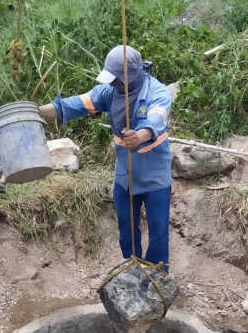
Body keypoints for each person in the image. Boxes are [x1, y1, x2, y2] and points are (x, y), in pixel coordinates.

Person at [39, 45, 173, 271]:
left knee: (158, 230)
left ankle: (157, 277)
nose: (111, 83)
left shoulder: (156, 92)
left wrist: (140, 136)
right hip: (125, 176)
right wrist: (36, 110)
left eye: (116, 79)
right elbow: (74, 104)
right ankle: (132, 270)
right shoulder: (109, 93)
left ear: (129, 77)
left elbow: (157, 118)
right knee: (126, 229)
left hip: (155, 176)